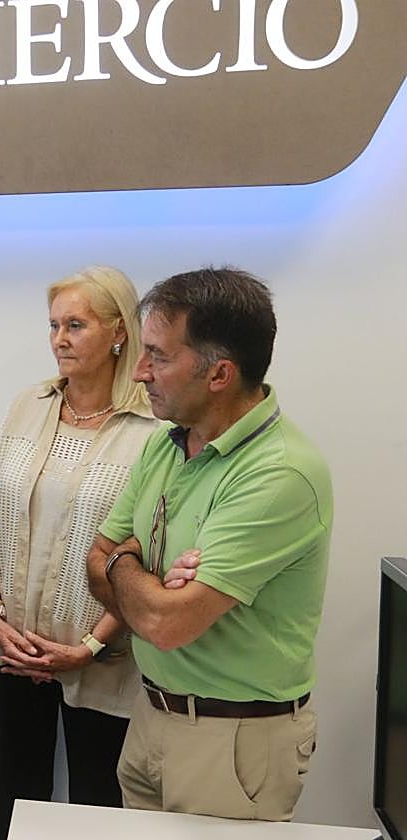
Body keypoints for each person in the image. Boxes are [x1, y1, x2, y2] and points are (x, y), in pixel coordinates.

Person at [86, 267, 332, 821]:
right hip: (151, 716)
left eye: (159, 356)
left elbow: (167, 624)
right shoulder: (166, 445)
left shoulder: (280, 472)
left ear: (219, 373)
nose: (141, 371)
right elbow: (94, 563)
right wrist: (143, 577)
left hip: (234, 738)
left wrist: (126, 561)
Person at [0, 266, 158, 837]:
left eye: (76, 324)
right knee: (17, 796)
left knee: (97, 802)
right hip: (18, 645)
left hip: (103, 655)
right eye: (54, 325)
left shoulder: (151, 427)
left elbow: (150, 553)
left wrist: (93, 644)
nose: (60, 339)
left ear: (120, 332)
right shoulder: (30, 404)